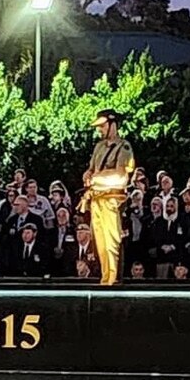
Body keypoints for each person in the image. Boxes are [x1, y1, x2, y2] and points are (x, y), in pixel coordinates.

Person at [80, 109, 135, 285]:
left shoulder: (123, 147)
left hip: (112, 199)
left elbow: (120, 176)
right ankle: (105, 277)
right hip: (96, 199)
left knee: (112, 242)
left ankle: (113, 278)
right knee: (100, 243)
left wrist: (96, 178)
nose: (100, 130)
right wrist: (88, 174)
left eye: (103, 126)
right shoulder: (99, 147)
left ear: (113, 125)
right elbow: (92, 168)